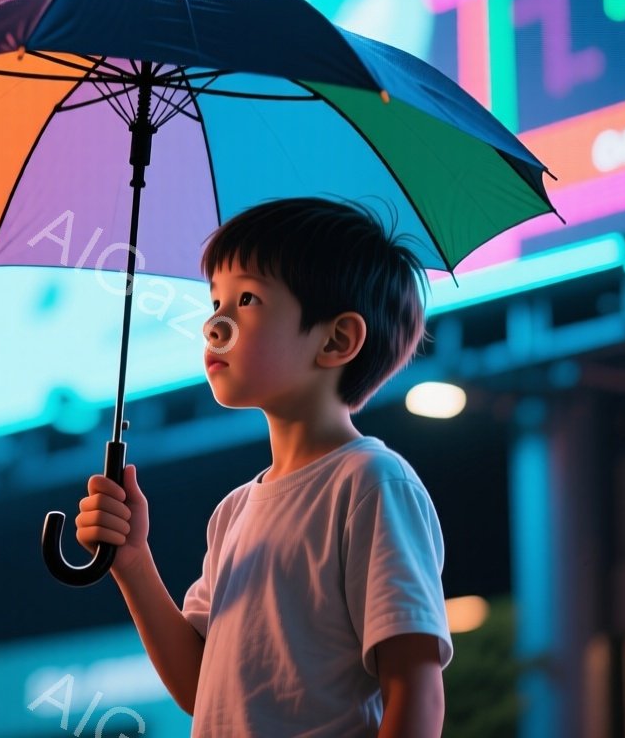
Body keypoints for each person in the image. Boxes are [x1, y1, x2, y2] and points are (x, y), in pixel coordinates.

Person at [72, 196, 451, 736]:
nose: (214, 324)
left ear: (337, 339)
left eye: (246, 299)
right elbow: (198, 687)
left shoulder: (371, 484)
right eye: (215, 300)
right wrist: (132, 561)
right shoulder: (233, 512)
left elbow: (416, 690)